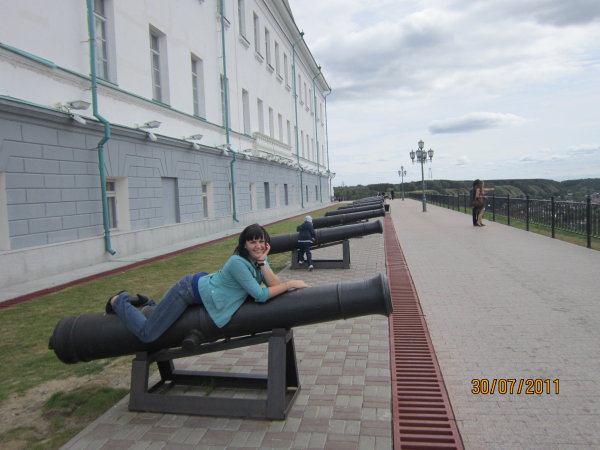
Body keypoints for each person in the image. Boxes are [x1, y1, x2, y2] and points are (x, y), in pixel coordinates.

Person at [105, 224, 310, 343]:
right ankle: (119, 301)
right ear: (244, 245)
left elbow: (273, 283)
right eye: (252, 242)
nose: (257, 246)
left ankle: (147, 304)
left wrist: (264, 262)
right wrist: (290, 284)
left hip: (206, 289)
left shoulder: (257, 259)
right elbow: (260, 295)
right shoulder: (238, 262)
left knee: (161, 316)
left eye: (261, 241)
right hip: (188, 290)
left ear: (266, 243)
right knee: (148, 334)